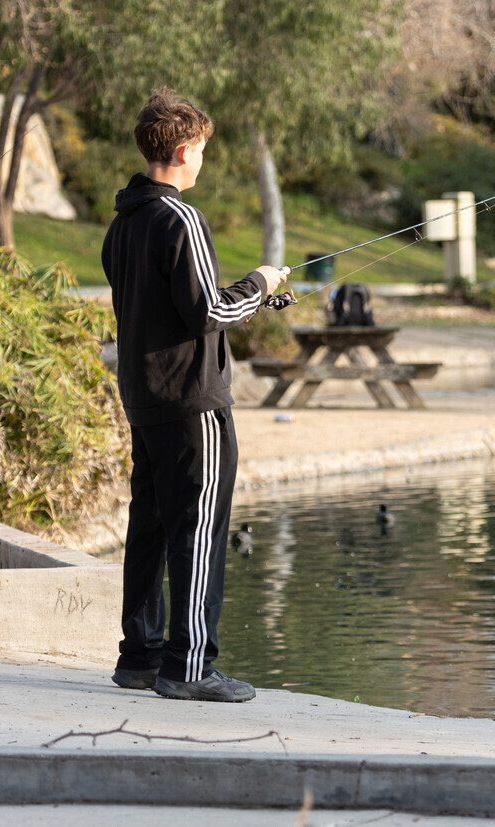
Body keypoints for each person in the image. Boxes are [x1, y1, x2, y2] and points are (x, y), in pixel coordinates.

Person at [102, 87, 285, 702]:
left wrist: (251, 291)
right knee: (199, 528)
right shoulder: (178, 216)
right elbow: (210, 307)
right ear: (183, 150)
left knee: (151, 524)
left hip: (145, 399)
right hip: (192, 401)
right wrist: (259, 283)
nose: (203, 161)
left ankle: (141, 657)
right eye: (202, 150)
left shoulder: (123, 223)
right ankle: (190, 667)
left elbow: (172, 304)